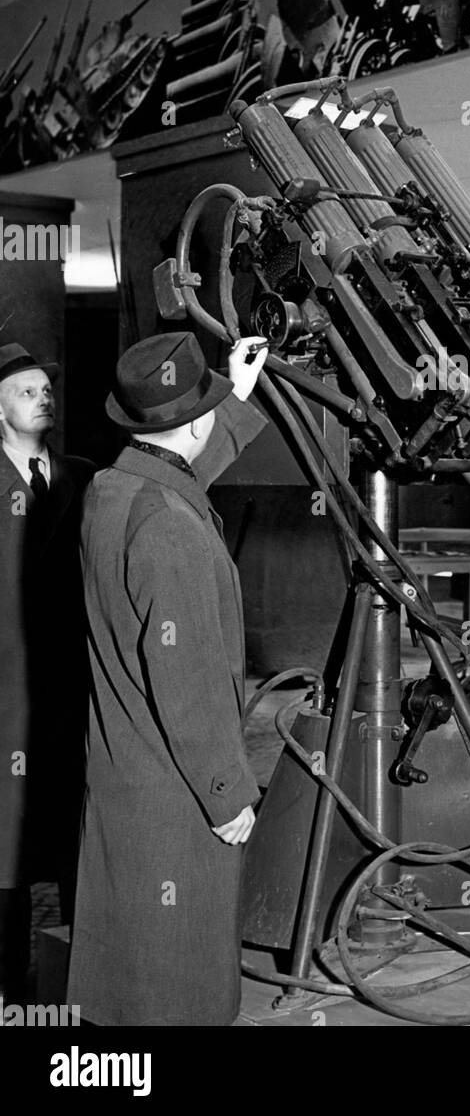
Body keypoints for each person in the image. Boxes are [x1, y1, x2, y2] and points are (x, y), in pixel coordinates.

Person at [67, 331, 269, 1026]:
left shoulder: (112, 488)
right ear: (190, 424)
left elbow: (175, 475)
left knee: (126, 971)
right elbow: (188, 684)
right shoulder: (172, 531)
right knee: (180, 979)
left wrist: (232, 396)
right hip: (175, 789)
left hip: (124, 771)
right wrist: (226, 792)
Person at [0, 342, 93, 1003]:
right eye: (28, 389)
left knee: (71, 842)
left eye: (47, 389)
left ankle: (75, 981)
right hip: (5, 699)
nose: (45, 398)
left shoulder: (84, 478)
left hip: (69, 694)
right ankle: (8, 984)